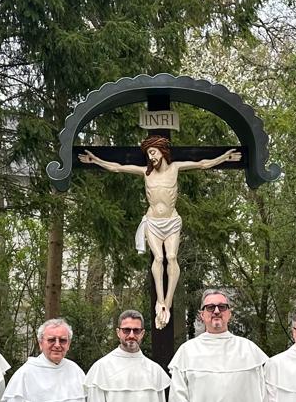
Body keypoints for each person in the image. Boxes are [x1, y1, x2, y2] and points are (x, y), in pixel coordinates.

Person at [77, 137, 244, 329]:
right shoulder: (145, 172)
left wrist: (225, 157)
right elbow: (117, 167)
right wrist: (95, 160)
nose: (151, 157)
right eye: (148, 154)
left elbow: (202, 164)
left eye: (153, 152)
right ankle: (160, 301)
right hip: (153, 222)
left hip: (171, 221)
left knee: (171, 257)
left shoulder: (175, 168)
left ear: (162, 152)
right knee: (158, 258)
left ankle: (168, 302)